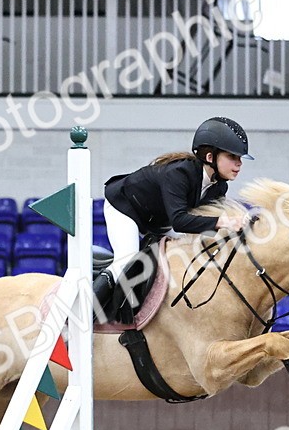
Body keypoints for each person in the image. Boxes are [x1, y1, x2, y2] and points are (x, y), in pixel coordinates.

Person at [94, 117, 253, 311]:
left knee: (191, 249)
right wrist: (224, 221)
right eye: (232, 157)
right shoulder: (179, 173)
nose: (239, 164)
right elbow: (179, 221)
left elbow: (203, 227)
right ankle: (84, 314)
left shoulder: (218, 186)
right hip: (125, 208)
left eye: (239, 159)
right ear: (210, 157)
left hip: (158, 220)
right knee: (126, 260)